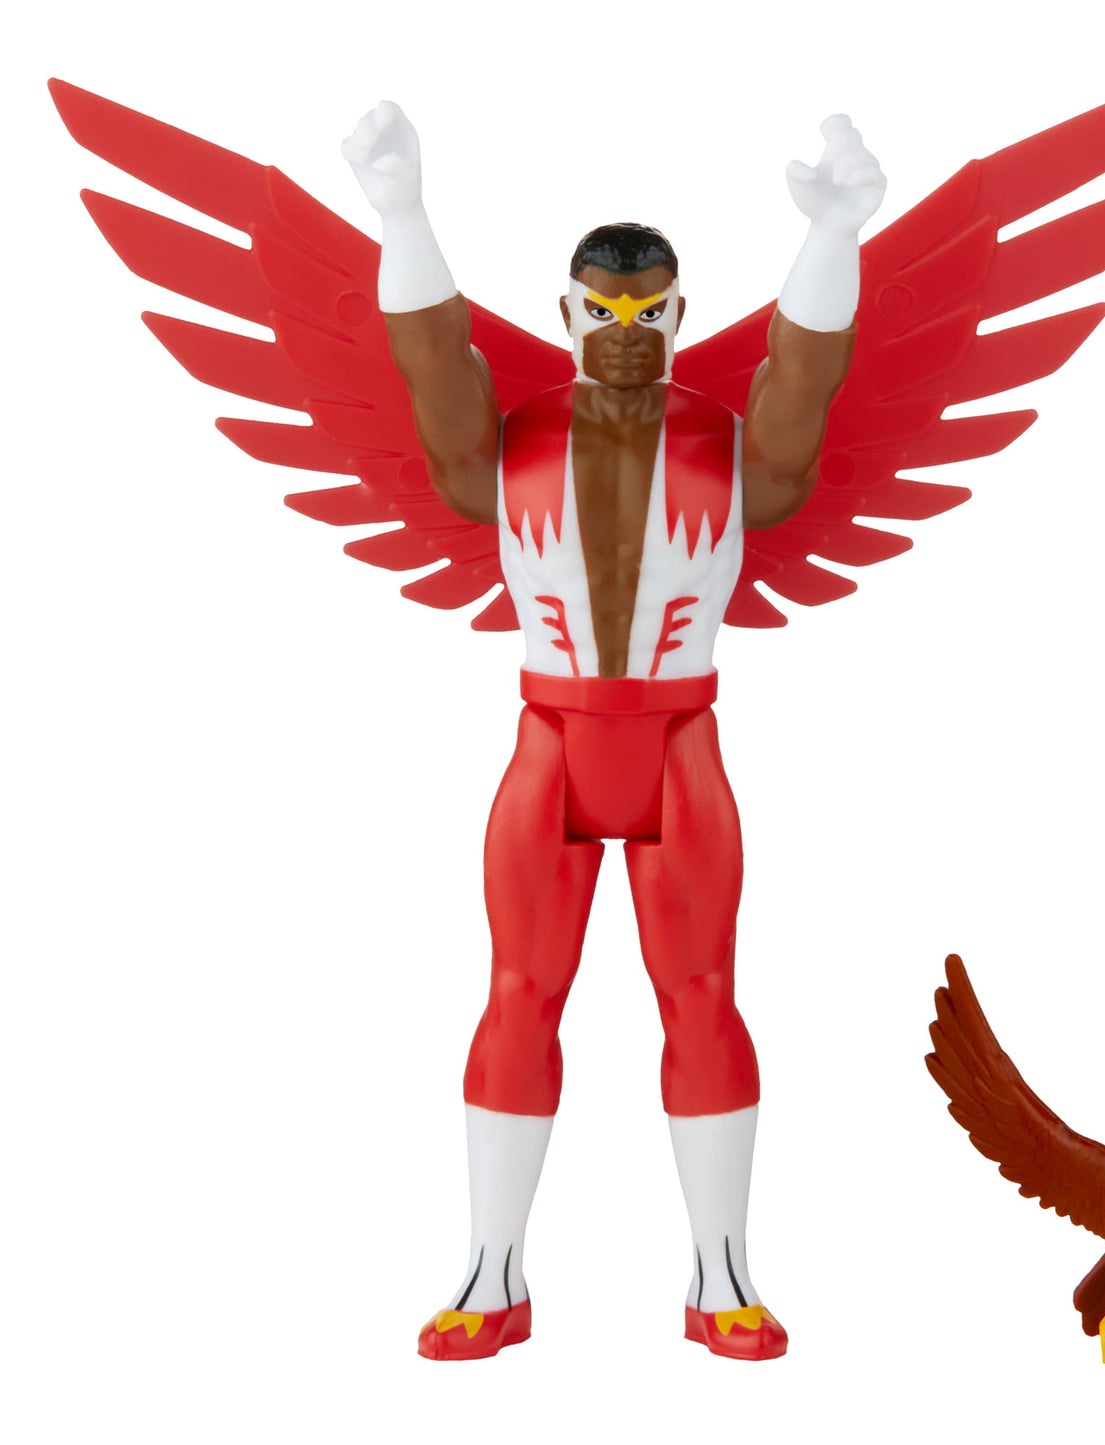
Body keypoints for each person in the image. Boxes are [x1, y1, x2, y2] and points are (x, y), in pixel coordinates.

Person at [343, 101, 885, 1361]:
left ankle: (721, 1275)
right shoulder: (508, 447)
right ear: (568, 313)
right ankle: (491, 1274)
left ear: (681, 314)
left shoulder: (732, 446)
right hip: (550, 744)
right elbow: (435, 369)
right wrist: (402, 214)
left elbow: (804, 378)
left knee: (703, 996)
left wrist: (832, 237)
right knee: (516, 993)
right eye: (604, 310)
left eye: (648, 311)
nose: (627, 330)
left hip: (679, 746)